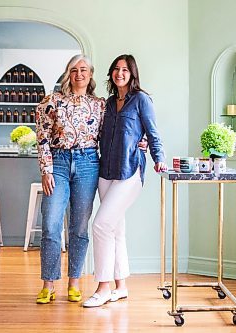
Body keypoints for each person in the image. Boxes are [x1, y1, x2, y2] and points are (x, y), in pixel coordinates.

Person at [83, 54, 168, 308]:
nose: (120, 73)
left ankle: (103, 288)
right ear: (111, 73)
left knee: (100, 225)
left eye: (125, 70)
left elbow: (152, 132)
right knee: (115, 230)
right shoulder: (108, 104)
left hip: (130, 171)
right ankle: (121, 286)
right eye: (116, 69)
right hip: (105, 171)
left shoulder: (141, 100)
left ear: (132, 74)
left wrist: (158, 157)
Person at [35, 54, 104, 304]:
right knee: (51, 225)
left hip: (88, 164)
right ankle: (48, 284)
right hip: (59, 163)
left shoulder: (99, 105)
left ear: (90, 74)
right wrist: (46, 169)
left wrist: (140, 143)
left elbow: (114, 134)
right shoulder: (51, 101)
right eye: (74, 70)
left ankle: (74, 282)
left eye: (83, 69)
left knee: (79, 227)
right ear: (68, 74)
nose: (79, 74)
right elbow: (42, 137)